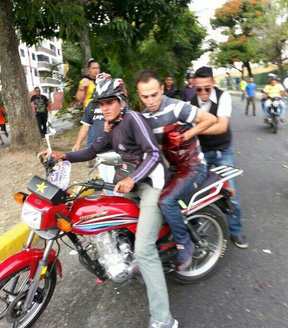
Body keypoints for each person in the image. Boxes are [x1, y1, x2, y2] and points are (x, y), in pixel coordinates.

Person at [39, 78, 178, 328]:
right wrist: (62, 155)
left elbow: (154, 154)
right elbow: (92, 151)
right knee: (105, 218)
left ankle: (163, 318)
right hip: (128, 183)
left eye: (110, 102)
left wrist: (133, 179)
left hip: (151, 185)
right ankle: (119, 259)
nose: (104, 108)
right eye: (101, 103)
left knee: (145, 250)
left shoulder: (133, 119)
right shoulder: (110, 126)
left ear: (121, 101)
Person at [137, 70, 217, 271]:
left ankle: (185, 243)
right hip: (172, 169)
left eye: (154, 94)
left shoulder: (177, 107)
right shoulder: (144, 118)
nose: (151, 101)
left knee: (166, 200)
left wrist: (186, 135)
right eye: (145, 97)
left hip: (193, 167)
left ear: (162, 89)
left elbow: (210, 119)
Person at [191, 66, 248, 249]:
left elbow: (221, 126)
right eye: (199, 89)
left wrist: (195, 129)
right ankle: (198, 231)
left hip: (223, 151)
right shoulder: (191, 101)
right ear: (194, 86)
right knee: (199, 194)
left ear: (213, 83)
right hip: (202, 153)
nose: (203, 93)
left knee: (231, 194)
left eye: (207, 88)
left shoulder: (224, 97)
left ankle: (236, 230)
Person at [75, 58, 101, 167]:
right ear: (89, 70)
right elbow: (78, 97)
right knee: (91, 132)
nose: (96, 70)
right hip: (90, 110)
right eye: (93, 68)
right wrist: (81, 88)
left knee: (95, 133)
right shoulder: (85, 81)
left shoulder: (102, 80)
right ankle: (90, 156)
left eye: (98, 68)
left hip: (102, 109)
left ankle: (92, 155)